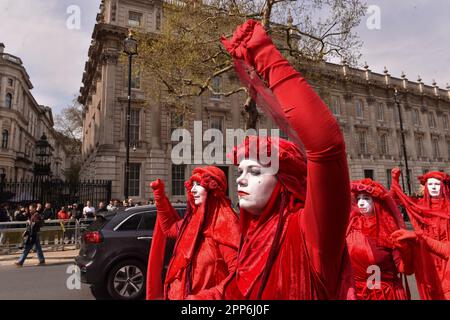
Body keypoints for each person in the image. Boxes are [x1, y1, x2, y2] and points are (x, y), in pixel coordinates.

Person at [216, 20, 353, 300]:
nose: (239, 178)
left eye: (254, 170)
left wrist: (265, 56)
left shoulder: (310, 232)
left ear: (285, 180)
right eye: (241, 170)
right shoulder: (253, 232)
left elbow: (326, 145)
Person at [146, 166, 240, 300]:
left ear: (212, 189)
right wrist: (160, 198)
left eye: (199, 184)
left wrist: (207, 297)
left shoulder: (226, 225)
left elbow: (239, 276)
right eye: (193, 184)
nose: (193, 189)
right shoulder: (192, 221)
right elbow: (169, 229)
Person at [346, 178, 414, 300]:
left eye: (366, 199)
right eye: (359, 198)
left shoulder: (388, 229)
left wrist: (406, 251)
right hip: (356, 293)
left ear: (376, 202)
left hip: (385, 294)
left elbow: (405, 269)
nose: (361, 203)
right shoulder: (352, 226)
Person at [390, 169, 450, 299]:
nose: (433, 187)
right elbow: (395, 201)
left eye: (437, 184)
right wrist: (395, 180)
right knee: (431, 293)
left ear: (443, 187)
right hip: (426, 257)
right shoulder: (418, 206)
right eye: (430, 184)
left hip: (446, 258)